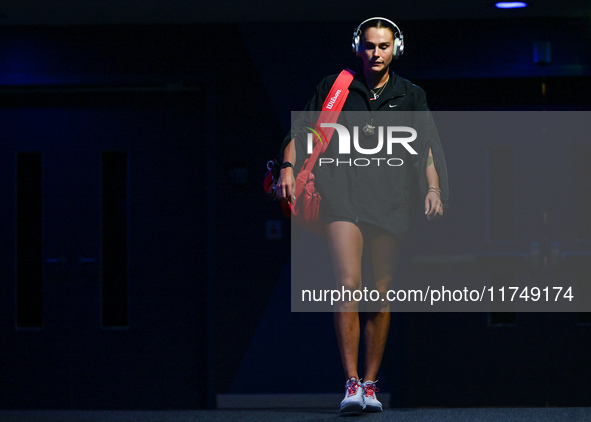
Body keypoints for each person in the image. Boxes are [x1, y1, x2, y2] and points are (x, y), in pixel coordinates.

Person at [275, 17, 449, 413]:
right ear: (358, 47)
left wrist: (434, 189)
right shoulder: (334, 88)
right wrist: (287, 168)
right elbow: (303, 131)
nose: (376, 53)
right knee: (348, 285)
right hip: (342, 197)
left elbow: (425, 149)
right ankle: (351, 383)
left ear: (396, 49)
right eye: (370, 46)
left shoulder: (410, 95)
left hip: (390, 202)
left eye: (384, 46)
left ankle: (371, 384)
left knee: (380, 292)